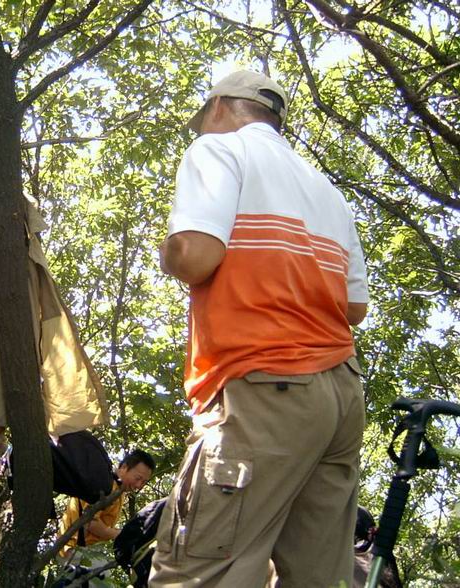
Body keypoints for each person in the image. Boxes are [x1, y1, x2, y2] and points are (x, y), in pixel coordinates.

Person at [150, 70, 369, 587]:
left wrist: (169, 252)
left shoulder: (219, 149)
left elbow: (194, 256)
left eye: (205, 118)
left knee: (202, 570)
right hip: (338, 397)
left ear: (220, 107)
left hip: (264, 387)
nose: (203, 129)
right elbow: (355, 306)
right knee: (318, 577)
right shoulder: (325, 190)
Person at [59, 449, 156, 556]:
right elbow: (90, 522)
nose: (139, 485)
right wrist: (122, 535)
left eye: (143, 482)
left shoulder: (118, 491)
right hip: (72, 548)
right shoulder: (105, 483)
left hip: (84, 550)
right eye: (138, 478)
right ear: (124, 467)